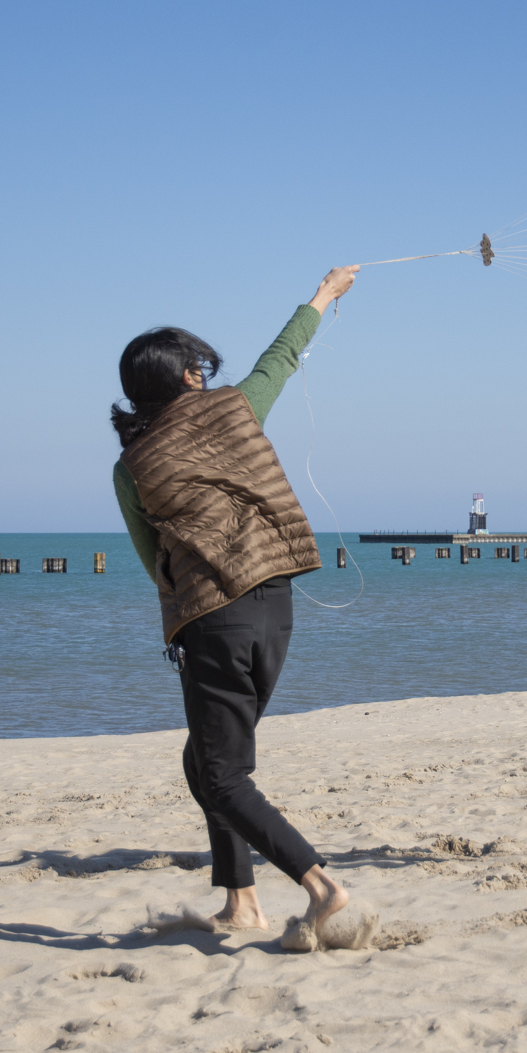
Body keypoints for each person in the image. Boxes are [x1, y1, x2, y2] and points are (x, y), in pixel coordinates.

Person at [110, 265, 360, 940]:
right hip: (275, 609)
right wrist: (323, 297)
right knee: (208, 763)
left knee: (222, 775)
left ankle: (321, 885)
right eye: (196, 365)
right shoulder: (239, 408)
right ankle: (241, 903)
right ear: (187, 376)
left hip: (214, 621)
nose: (203, 373)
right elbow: (279, 359)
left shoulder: (131, 467)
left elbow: (151, 561)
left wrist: (183, 615)